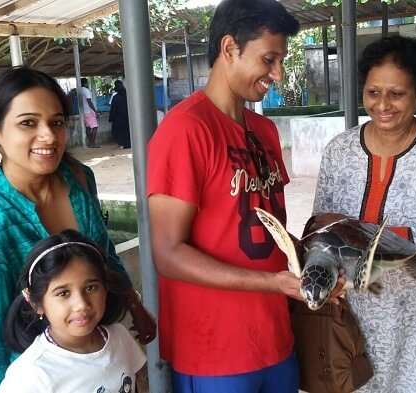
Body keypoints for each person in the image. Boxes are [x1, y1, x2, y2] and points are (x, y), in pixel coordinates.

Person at [0, 67, 155, 393]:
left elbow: (103, 254)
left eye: (57, 122)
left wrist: (133, 303)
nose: (48, 135)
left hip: (95, 360)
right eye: (28, 123)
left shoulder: (77, 177)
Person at [146, 1, 306, 392]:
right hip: (215, 351)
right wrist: (273, 284)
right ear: (230, 48)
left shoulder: (264, 131)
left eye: (280, 60)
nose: (278, 74)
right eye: (269, 59)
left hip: (275, 339)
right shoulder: (185, 130)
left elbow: (271, 232)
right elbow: (167, 253)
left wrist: (317, 265)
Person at [312, 36, 416, 393]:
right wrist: (322, 265)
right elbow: (321, 228)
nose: (382, 105)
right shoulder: (339, 152)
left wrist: (351, 237)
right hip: (356, 315)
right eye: (372, 92)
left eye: (396, 94)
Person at [0, 230, 146, 393]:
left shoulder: (120, 337)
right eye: (63, 293)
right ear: (36, 303)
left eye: (91, 288)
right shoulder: (31, 375)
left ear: (105, 289)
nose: (81, 304)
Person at [108, 80, 131, 149]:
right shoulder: (128, 95)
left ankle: (123, 144)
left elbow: (113, 108)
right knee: (128, 130)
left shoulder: (115, 97)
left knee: (120, 131)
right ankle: (129, 144)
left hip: (119, 118)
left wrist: (111, 118)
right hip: (128, 116)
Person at [80, 78, 101, 148]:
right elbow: (89, 101)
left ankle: (90, 143)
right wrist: (95, 111)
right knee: (95, 127)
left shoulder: (79, 90)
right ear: (85, 83)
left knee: (88, 127)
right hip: (89, 111)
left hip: (83, 112)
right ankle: (93, 143)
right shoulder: (86, 90)